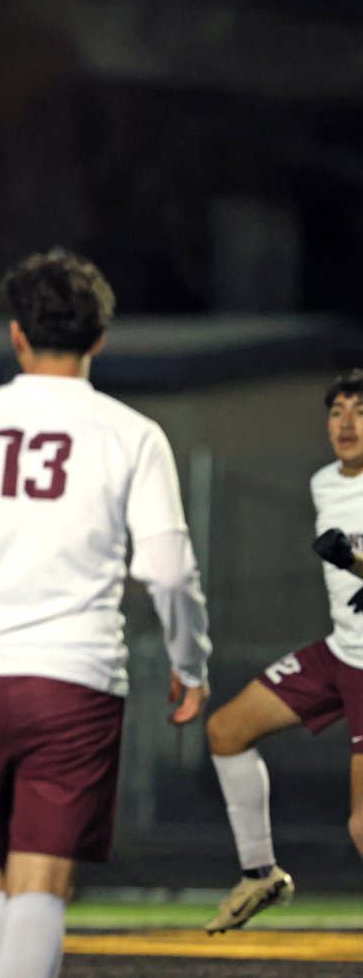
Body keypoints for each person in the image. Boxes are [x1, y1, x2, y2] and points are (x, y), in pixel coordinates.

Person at [0, 250, 212, 978]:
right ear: (100, 338)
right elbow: (169, 569)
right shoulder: (132, 433)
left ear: (17, 334)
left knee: (9, 879)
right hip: (74, 680)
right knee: (41, 882)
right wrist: (190, 660)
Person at [201, 370, 363, 933]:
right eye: (337, 411)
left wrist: (353, 562)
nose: (346, 423)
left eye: (360, 411)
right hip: (341, 652)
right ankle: (260, 874)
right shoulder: (324, 483)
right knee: (226, 731)